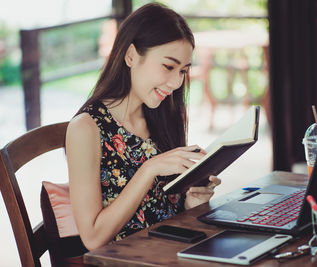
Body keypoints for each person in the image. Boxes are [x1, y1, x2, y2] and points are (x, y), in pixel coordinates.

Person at [66, 3, 221, 251]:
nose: (175, 83)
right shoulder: (86, 128)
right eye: (168, 67)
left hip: (173, 251)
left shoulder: (163, 115)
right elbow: (93, 238)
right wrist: (149, 169)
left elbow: (164, 208)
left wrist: (191, 202)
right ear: (130, 56)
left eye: (183, 70)